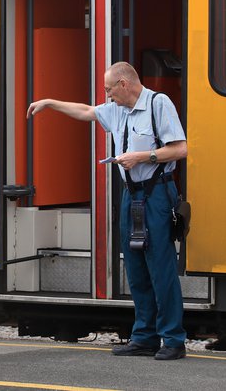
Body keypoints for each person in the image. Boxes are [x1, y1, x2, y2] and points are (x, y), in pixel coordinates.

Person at [27, 61, 187, 360]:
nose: (107, 96)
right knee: (136, 268)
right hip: (131, 196)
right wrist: (50, 103)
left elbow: (179, 149)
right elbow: (87, 111)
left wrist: (142, 156)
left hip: (157, 195)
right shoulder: (117, 110)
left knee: (161, 268)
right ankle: (144, 337)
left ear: (124, 84)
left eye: (109, 89)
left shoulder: (158, 103)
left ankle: (174, 340)